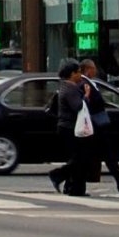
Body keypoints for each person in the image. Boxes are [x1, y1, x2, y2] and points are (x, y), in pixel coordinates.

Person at [46, 61, 94, 196]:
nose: (80, 74)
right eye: (78, 72)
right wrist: (86, 95)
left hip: (67, 126)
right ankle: (57, 175)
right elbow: (77, 106)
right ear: (72, 74)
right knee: (80, 158)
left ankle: (74, 188)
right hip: (70, 127)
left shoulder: (65, 86)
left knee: (77, 158)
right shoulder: (70, 88)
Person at [80, 58, 119, 192]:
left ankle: (118, 180)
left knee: (97, 155)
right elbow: (87, 103)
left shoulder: (90, 83)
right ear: (88, 69)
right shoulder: (84, 83)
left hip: (97, 125)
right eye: (93, 68)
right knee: (105, 155)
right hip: (94, 125)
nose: (96, 71)